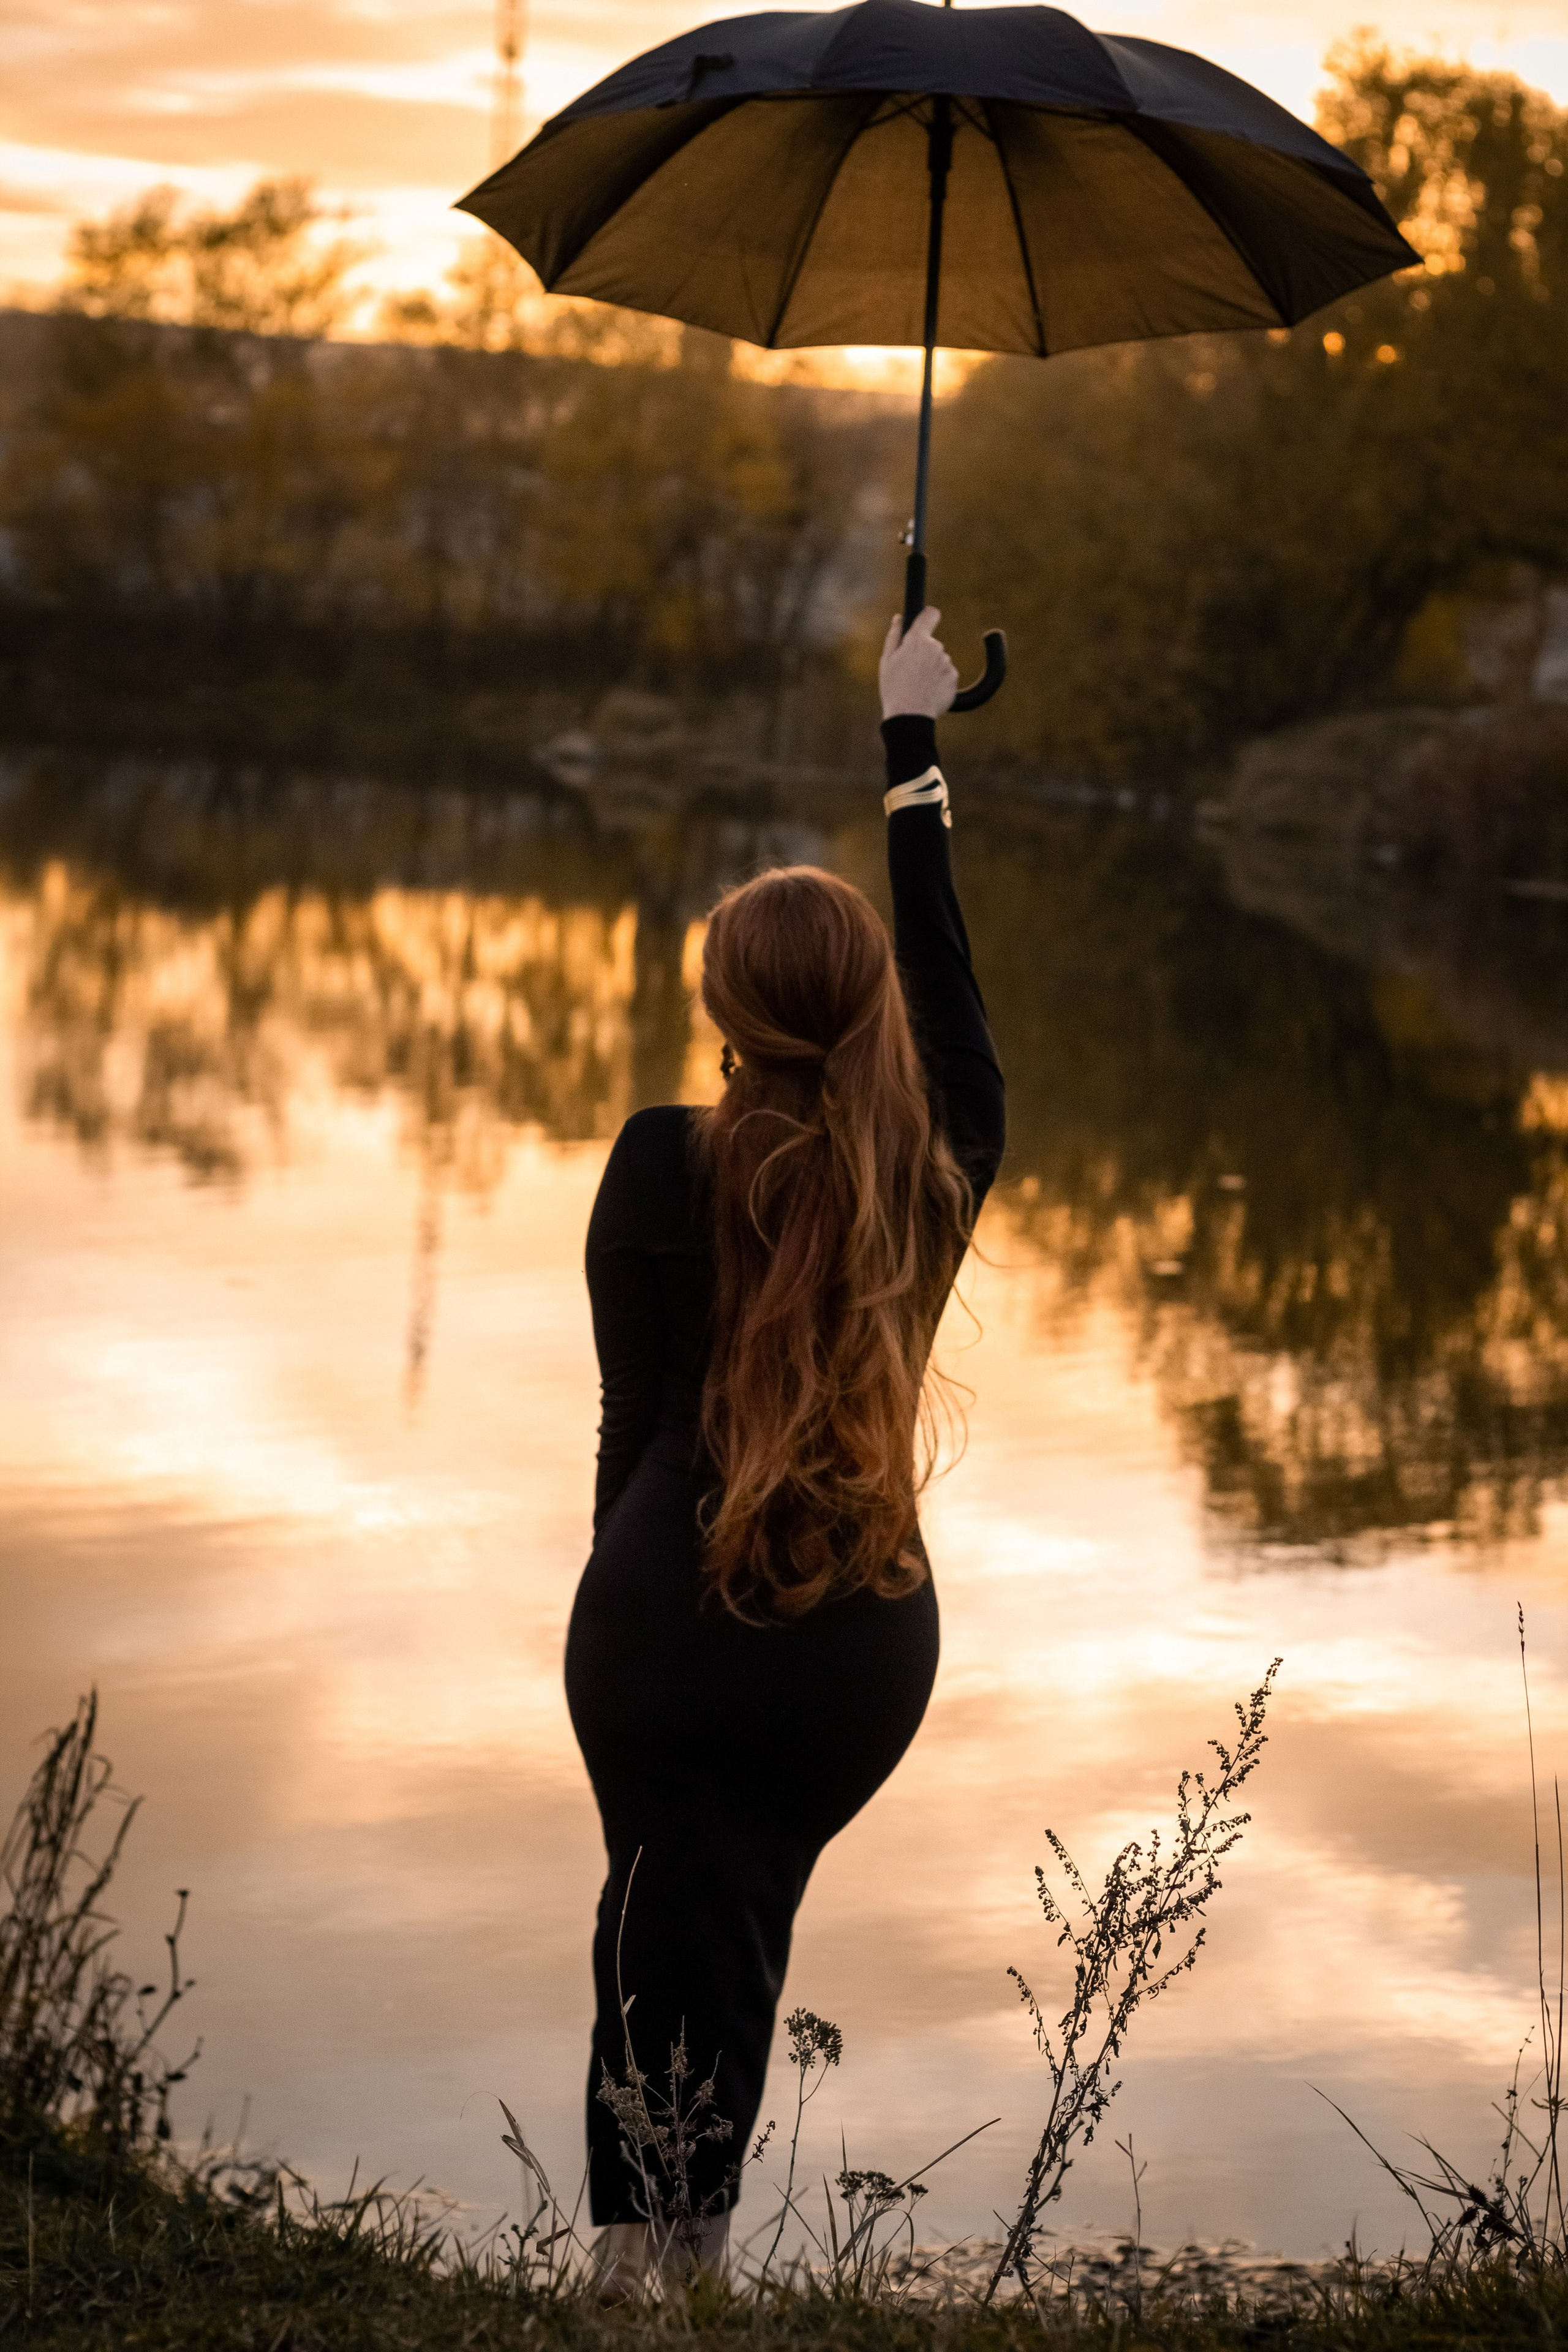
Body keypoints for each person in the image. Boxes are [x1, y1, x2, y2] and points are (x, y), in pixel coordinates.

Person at [564, 608, 1006, 2293]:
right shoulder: (937, 1163)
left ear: (720, 1009)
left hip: (668, 1617)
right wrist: (914, 741)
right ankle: (703, 2261)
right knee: (738, 1916)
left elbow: (626, 1426)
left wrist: (625, 1598)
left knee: (653, 1915)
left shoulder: (657, 1161)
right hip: (861, 1641)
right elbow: (951, 996)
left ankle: (639, 2271)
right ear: (876, 1010)